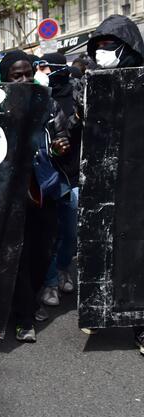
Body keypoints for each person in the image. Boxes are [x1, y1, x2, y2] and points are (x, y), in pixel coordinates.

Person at [83, 14, 144, 354]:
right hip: (102, 182)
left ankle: (140, 324)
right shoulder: (91, 84)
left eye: (111, 46)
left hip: (138, 185)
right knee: (99, 245)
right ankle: (99, 309)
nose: (103, 52)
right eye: (99, 46)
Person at [0, 51, 69, 344]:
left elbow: (58, 137)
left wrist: (59, 146)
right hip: (8, 196)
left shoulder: (48, 102)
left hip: (44, 191)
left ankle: (32, 301)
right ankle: (23, 317)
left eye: (28, 73)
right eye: (17, 75)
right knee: (20, 258)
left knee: (43, 253)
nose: (25, 79)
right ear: (4, 79)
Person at [35, 53, 78, 311]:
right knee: (48, 235)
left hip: (66, 178)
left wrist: (59, 146)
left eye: (43, 67)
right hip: (42, 182)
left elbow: (63, 134)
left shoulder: (58, 102)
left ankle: (63, 269)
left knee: (70, 233)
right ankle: (50, 282)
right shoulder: (30, 102)